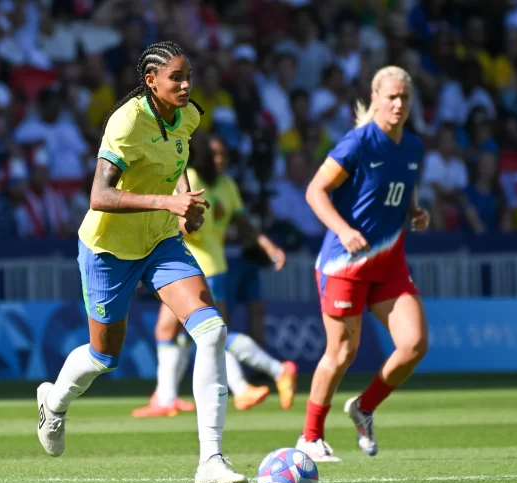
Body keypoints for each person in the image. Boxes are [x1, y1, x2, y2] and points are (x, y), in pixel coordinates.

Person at [35, 41, 248, 483]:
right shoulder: (126, 121)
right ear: (151, 81)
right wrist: (164, 201)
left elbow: (180, 161)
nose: (187, 84)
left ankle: (211, 458)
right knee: (103, 357)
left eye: (189, 75)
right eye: (177, 77)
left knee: (211, 332)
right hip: (108, 250)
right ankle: (53, 403)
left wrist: (185, 202)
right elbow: (99, 196)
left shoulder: (189, 116)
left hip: (161, 242)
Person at [297, 66, 430, 462]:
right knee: (341, 353)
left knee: (415, 345)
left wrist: (415, 211)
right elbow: (315, 191)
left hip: (389, 262)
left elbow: (403, 186)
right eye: (390, 97)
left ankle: (364, 407)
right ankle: (310, 437)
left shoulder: (414, 147)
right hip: (345, 263)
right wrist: (342, 229)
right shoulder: (357, 143)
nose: (397, 104)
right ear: (375, 98)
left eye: (404, 98)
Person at [132, 133, 297, 418]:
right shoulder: (197, 180)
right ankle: (168, 396)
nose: (220, 160)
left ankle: (271, 372)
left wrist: (269, 247)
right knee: (184, 333)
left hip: (195, 269)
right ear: (203, 156)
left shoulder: (217, 183)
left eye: (224, 155)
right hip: (203, 268)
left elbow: (240, 224)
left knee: (202, 333)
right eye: (215, 154)